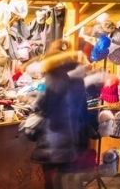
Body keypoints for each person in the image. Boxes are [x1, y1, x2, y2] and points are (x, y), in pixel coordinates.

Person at [30, 41, 97, 189]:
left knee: (52, 183)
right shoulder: (77, 78)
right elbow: (84, 110)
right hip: (72, 140)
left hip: (53, 140)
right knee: (68, 181)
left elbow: (43, 105)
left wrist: (34, 101)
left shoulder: (53, 76)